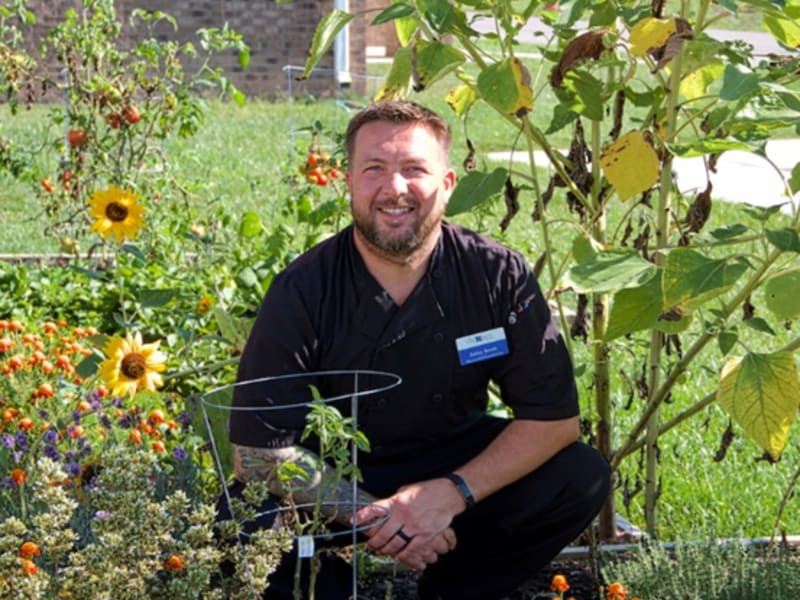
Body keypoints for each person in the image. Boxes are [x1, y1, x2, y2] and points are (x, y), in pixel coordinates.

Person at [224, 100, 610, 600]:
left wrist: (449, 494)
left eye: (414, 169)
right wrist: (382, 515)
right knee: (243, 514)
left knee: (579, 474)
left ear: (447, 185)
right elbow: (258, 453)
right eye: (375, 169)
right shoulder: (302, 289)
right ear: (349, 181)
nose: (395, 188)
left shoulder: (497, 275)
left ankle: (455, 589)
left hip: (457, 465)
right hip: (342, 470)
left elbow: (553, 421)